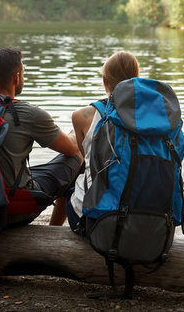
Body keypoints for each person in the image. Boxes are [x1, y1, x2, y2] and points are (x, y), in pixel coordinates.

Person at [0, 46, 83, 227]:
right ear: (16, 78)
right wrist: (79, 127)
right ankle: (55, 231)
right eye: (23, 72)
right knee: (78, 158)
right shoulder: (28, 114)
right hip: (9, 211)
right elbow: (72, 148)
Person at [65, 51, 140, 233]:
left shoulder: (81, 117)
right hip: (148, 216)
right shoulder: (157, 116)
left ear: (105, 81)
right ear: (137, 79)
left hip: (97, 219)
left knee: (72, 179)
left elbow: (87, 158)